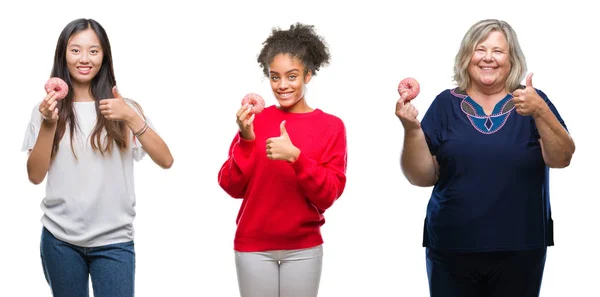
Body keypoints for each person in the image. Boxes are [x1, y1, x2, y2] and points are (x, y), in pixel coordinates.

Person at [395, 19, 575, 297]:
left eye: (498, 51)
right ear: (467, 56)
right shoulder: (445, 103)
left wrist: (540, 110)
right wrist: (411, 129)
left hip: (521, 245)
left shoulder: (533, 102)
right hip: (451, 245)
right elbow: (421, 177)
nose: (488, 58)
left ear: (512, 59)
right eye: (480, 49)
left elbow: (562, 158)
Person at [22, 18, 173, 297]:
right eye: (75, 50)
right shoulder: (45, 110)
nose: (84, 59)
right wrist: (48, 124)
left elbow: (166, 160)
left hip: (115, 242)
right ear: (63, 55)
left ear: (104, 56)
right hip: (60, 240)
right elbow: (34, 175)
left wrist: (130, 116)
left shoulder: (124, 108)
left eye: (94, 51)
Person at [217, 23, 347, 297]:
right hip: (252, 246)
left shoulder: (331, 126)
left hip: (303, 248)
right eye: (275, 77)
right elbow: (231, 186)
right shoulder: (255, 121)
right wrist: (245, 139)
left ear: (308, 75)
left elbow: (328, 195)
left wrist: (296, 158)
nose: (282, 85)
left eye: (292, 76)